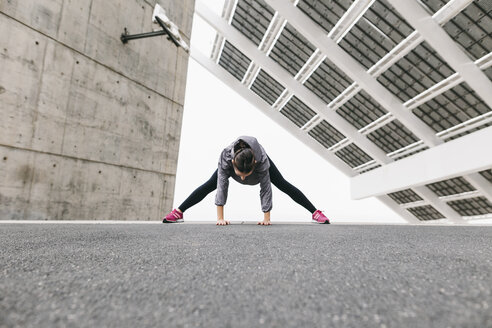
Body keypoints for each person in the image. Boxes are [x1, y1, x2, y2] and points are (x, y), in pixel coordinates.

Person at [163, 136, 330, 225]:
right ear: (233, 164)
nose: (242, 178)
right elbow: (222, 185)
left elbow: (266, 189)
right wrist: (220, 218)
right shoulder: (226, 157)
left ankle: (316, 213)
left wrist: (266, 219)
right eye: (239, 174)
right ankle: (178, 212)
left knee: (283, 184)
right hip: (234, 161)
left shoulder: (262, 161)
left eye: (245, 174)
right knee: (210, 184)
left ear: (254, 164)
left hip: (258, 162)